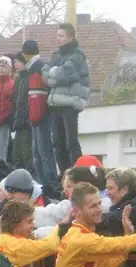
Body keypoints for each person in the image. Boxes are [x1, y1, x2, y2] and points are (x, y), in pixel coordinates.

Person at [43, 23, 89, 175]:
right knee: (57, 143)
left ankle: (78, 174)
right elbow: (45, 72)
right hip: (55, 103)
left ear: (70, 37)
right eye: (57, 35)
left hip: (70, 102)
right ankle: (64, 175)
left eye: (61, 35)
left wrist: (52, 74)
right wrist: (53, 75)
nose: (58, 39)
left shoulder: (78, 55)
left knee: (71, 142)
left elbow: (62, 73)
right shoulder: (56, 55)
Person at [23, 40, 59, 198]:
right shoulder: (38, 68)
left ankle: (49, 184)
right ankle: (46, 184)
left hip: (40, 114)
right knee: (40, 151)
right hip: (39, 114)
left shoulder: (35, 69)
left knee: (42, 151)